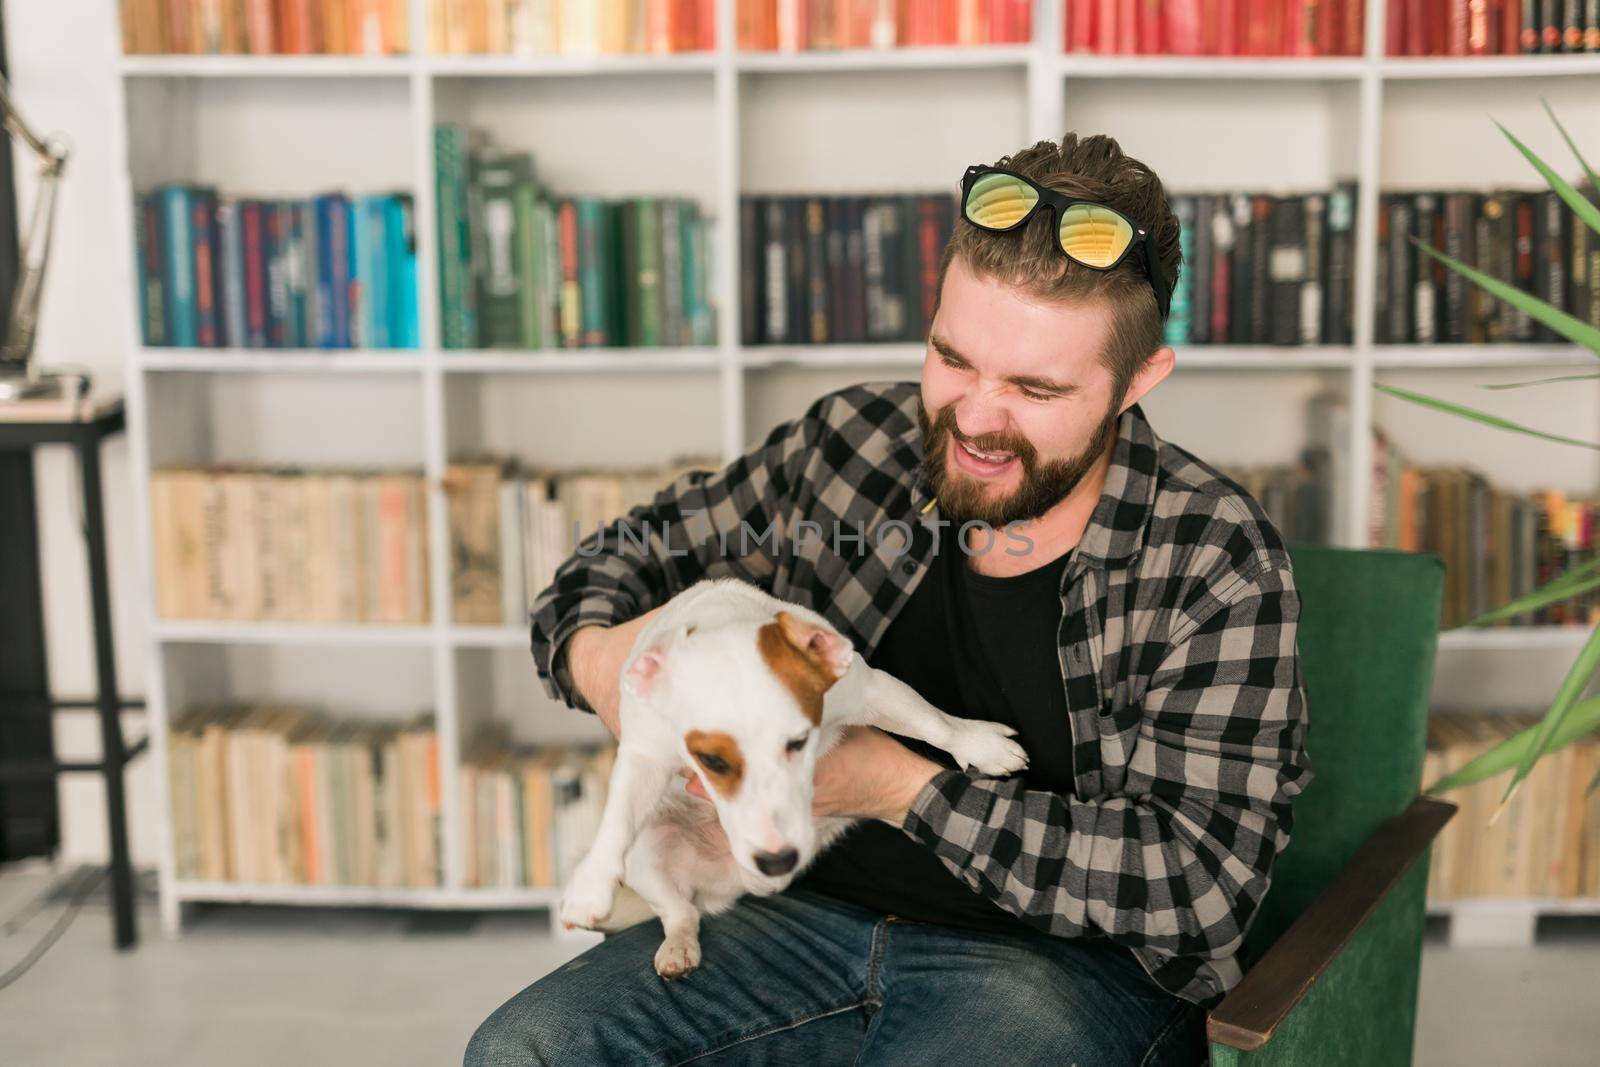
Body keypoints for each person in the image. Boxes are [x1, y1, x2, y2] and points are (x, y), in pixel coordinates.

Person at [466, 131, 1313, 1066]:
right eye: (953, 358)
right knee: (522, 1052)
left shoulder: (1213, 554)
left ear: (1136, 382)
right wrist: (616, 674)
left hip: (1067, 965)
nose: (976, 420)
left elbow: (1198, 885)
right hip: (795, 916)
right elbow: (615, 561)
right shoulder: (853, 444)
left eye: (1035, 387)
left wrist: (901, 787)